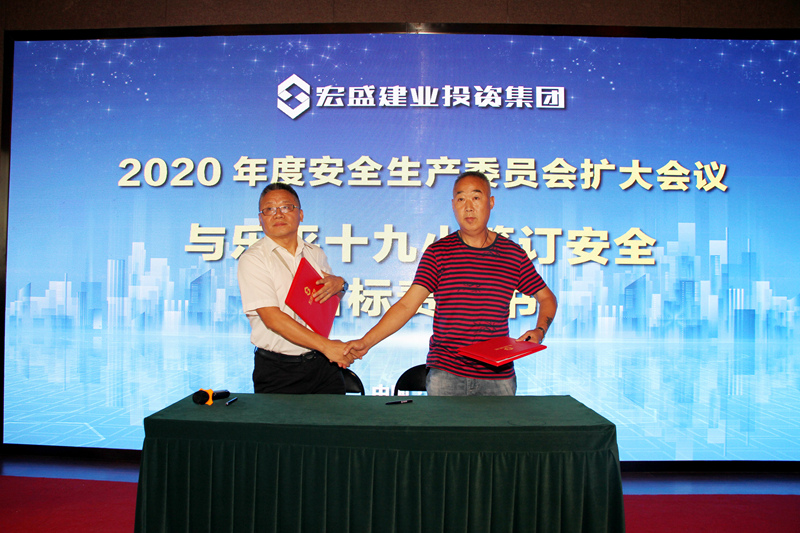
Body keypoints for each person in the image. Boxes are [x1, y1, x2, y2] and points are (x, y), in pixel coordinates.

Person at [345, 171, 557, 396]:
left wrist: (539, 331)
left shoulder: (511, 254)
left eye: (476, 197)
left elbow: (547, 298)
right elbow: (407, 306)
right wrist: (366, 342)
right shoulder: (439, 253)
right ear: (453, 205)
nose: (468, 207)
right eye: (461, 199)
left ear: (491, 202)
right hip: (446, 373)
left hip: (498, 376)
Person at [237, 183, 354, 394]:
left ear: (300, 214)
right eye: (269, 209)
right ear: (261, 219)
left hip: (322, 364)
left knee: (334, 416)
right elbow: (272, 319)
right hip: (278, 369)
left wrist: (341, 285)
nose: (278, 214)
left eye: (286, 207)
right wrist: (327, 346)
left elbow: (327, 301)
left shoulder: (315, 253)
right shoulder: (253, 259)